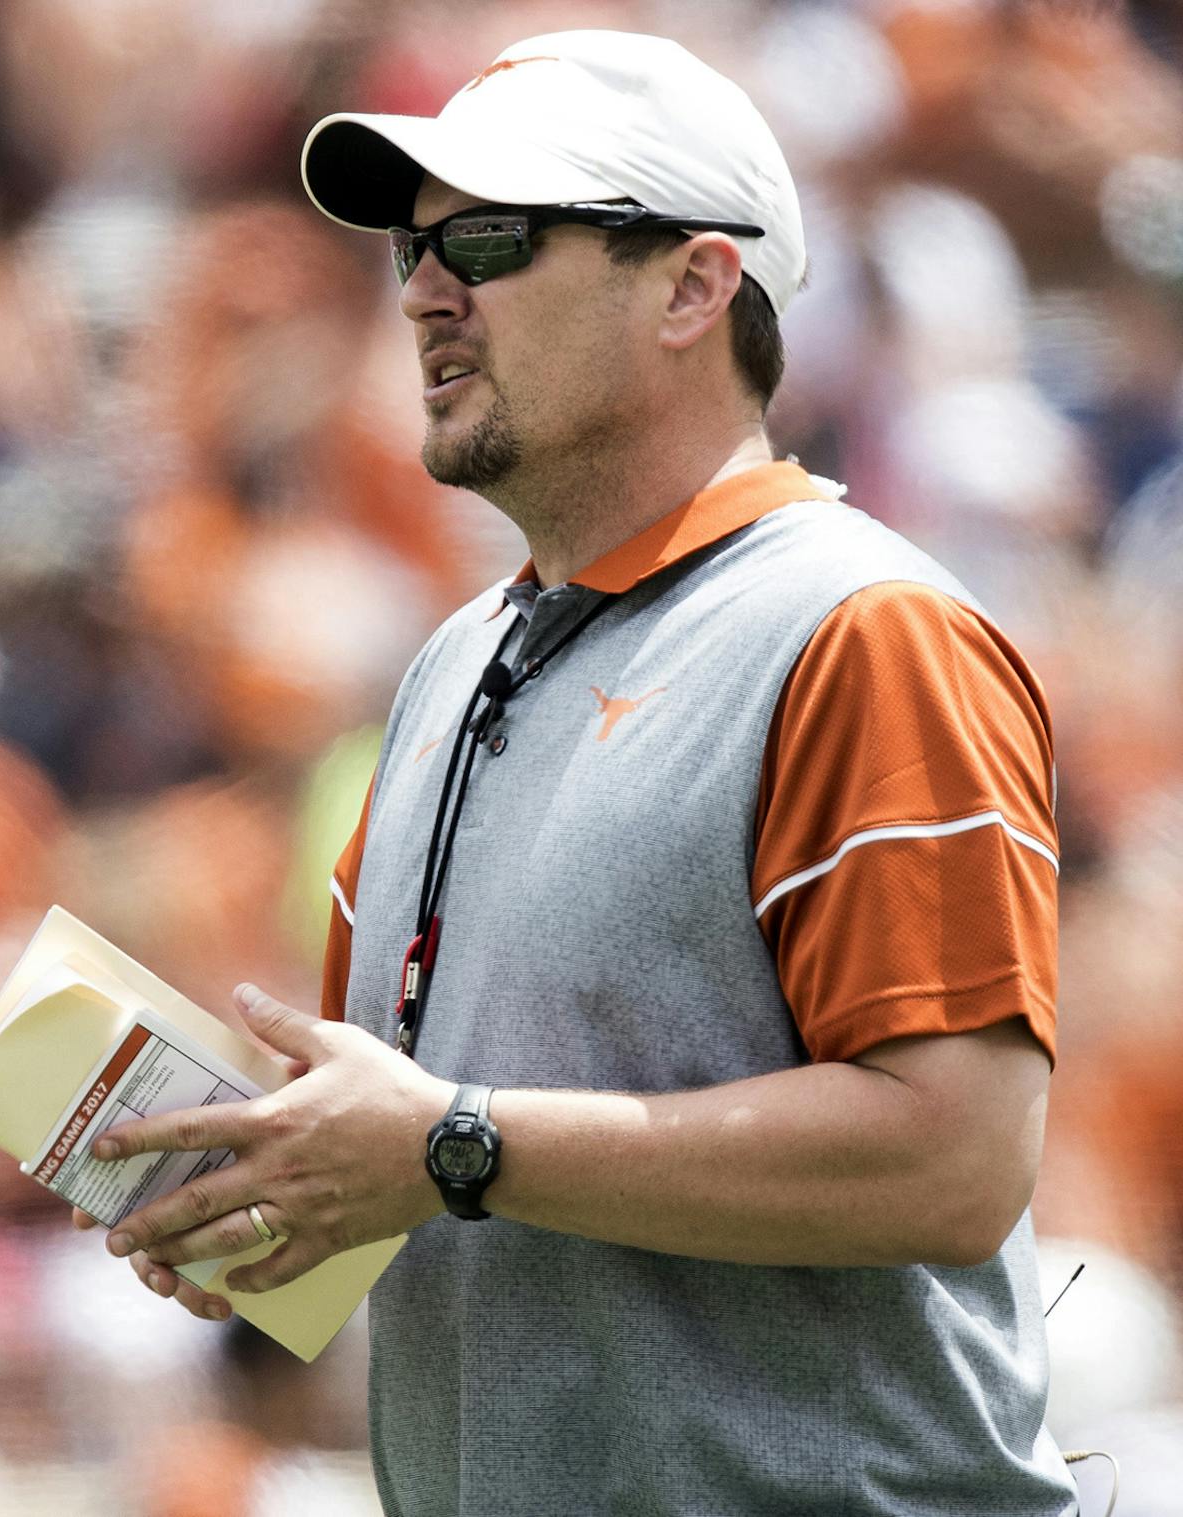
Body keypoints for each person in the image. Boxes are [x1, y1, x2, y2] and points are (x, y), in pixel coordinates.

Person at [80, 30, 1077, 1515]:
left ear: (692, 285)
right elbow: (429, 1150)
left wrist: (453, 1142)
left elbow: (955, 1158)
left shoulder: (865, 631)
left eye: (488, 240)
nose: (424, 288)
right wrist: (275, 1191)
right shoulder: (442, 672)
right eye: (412, 250)